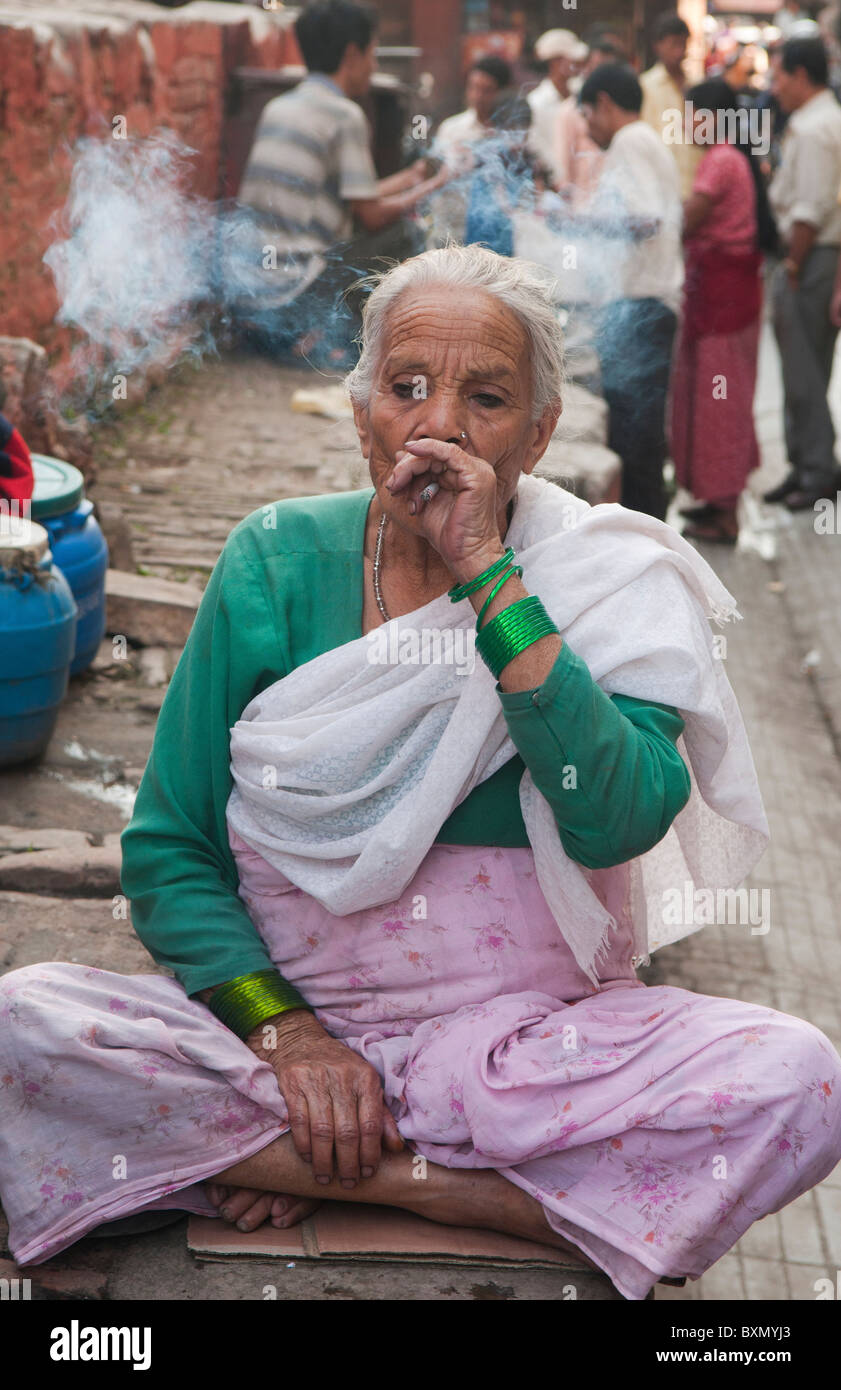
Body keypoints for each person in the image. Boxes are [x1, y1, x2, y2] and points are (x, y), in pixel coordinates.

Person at [2, 245, 839, 1302]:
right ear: (361, 416)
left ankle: (379, 1175)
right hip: (282, 1051)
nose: (437, 425)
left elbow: (616, 818)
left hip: (519, 1060)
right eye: (405, 388)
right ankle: (461, 1178)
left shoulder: (605, 578)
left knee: (802, 1076)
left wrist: (488, 571)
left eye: (484, 398)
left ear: (538, 433)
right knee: (21, 1017)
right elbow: (170, 851)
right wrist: (291, 1037)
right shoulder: (271, 557)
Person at [234, 0, 444, 368]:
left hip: (250, 299)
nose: (374, 64)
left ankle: (302, 338)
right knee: (406, 234)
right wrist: (436, 185)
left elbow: (351, 196)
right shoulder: (345, 115)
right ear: (352, 53)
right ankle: (340, 341)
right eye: (373, 53)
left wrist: (411, 178)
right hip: (293, 298)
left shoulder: (279, 106)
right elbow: (372, 216)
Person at [578, 63, 684, 520]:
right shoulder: (645, 141)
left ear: (604, 103)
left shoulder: (630, 141)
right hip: (645, 303)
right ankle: (646, 525)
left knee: (634, 432)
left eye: (587, 114)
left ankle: (644, 529)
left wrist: (578, 219)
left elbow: (644, 220)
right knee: (635, 430)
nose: (586, 127)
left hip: (642, 304)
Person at [670, 80, 769, 545]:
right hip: (723, 293)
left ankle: (725, 512)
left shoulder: (722, 159)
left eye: (692, 114)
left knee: (720, 400)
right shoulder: (728, 156)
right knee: (716, 397)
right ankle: (716, 500)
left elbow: (686, 220)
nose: (689, 124)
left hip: (722, 298)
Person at [766, 36, 841, 509]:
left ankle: (818, 472)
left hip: (809, 254)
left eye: (778, 76)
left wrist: (793, 263)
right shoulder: (819, 120)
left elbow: (810, 210)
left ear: (800, 75)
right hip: (814, 256)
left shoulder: (816, 128)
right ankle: (802, 465)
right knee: (802, 365)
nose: (773, 88)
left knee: (805, 370)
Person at [553, 36, 623, 208]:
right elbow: (562, 170)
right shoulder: (570, 110)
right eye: (597, 68)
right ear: (586, 68)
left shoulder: (621, 111)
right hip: (583, 211)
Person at [640, 11, 701, 199]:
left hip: (695, 186)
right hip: (660, 187)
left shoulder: (697, 85)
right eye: (674, 44)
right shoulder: (645, 85)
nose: (680, 51)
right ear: (658, 46)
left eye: (684, 44)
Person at [526, 29, 588, 185]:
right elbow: (539, 150)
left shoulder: (581, 93)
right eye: (572, 61)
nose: (577, 66)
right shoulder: (536, 103)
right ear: (556, 63)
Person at [434, 54, 513, 165]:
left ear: (500, 92)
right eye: (473, 87)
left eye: (486, 90)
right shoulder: (451, 128)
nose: (477, 96)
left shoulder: (512, 131)